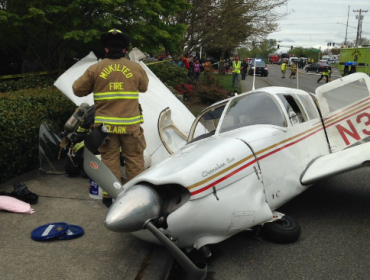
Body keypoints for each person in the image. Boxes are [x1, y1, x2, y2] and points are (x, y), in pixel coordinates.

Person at [72, 28, 149, 207]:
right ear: (124, 50)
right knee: (135, 160)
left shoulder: (95, 69)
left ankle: (110, 197)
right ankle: (137, 198)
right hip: (131, 128)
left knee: (109, 160)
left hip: (105, 129)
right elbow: (144, 87)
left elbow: (77, 89)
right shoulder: (136, 68)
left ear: (106, 49)